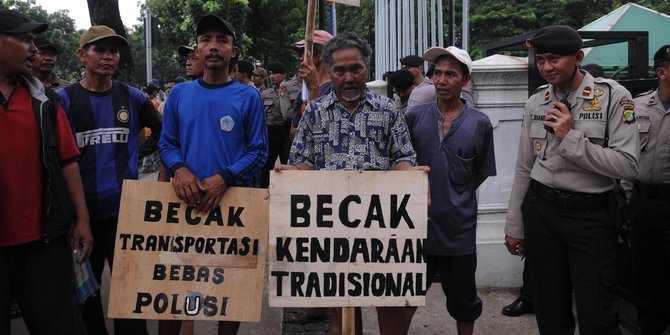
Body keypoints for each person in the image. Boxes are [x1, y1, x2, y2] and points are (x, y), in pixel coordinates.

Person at [275, 31, 428, 335]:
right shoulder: (315, 113)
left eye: (355, 68)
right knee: (342, 307)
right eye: (340, 70)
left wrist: (410, 178)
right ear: (329, 71)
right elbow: (303, 161)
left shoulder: (387, 111)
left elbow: (403, 156)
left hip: (382, 225)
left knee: (390, 302)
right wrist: (286, 177)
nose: (348, 77)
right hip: (331, 227)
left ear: (366, 69)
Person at [504, 25, 639, 334]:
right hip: (543, 212)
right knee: (550, 307)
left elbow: (628, 165)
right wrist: (515, 225)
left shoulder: (614, 99)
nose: (546, 67)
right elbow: (524, 167)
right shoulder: (536, 102)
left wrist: (570, 139)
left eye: (554, 59)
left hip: (590, 217)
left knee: (598, 312)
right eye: (540, 60)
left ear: (578, 57)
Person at [158, 14, 267, 335]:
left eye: (222, 40)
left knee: (228, 294)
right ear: (197, 49)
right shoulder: (179, 94)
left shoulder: (248, 96)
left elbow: (258, 150)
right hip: (183, 206)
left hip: (232, 208)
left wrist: (226, 177)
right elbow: (167, 143)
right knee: (174, 291)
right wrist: (179, 169)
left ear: (234, 51)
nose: (214, 46)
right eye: (206, 40)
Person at [57, 25, 163, 335]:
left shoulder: (132, 97)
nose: (108, 56)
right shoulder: (63, 100)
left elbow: (160, 131)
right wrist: (73, 217)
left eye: (113, 51)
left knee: (129, 294)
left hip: (125, 215)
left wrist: (138, 151)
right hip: (82, 218)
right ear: (82, 55)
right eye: (99, 50)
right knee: (87, 295)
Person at [0, 9, 92, 334]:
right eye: (24, 40)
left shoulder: (47, 102)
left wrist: (81, 219)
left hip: (44, 241)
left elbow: (68, 161)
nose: (34, 49)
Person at [404, 46, 496, 335]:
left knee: (463, 300)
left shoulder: (479, 123)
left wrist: (456, 193)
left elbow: (480, 172)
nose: (442, 80)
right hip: (416, 226)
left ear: (465, 81)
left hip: (459, 229)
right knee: (405, 296)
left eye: (451, 74)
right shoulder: (415, 117)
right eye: (438, 74)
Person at [628, 44, 670, 335]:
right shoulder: (637, 106)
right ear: (662, 72)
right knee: (645, 272)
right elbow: (625, 153)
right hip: (641, 202)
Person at [289, 29, 334, 140]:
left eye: (304, 53)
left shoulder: (337, 89)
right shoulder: (303, 91)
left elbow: (329, 130)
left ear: (320, 56)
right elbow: (292, 133)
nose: (301, 58)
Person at [260, 62, 290, 188]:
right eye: (270, 74)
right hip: (270, 131)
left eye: (276, 73)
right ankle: (263, 190)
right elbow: (261, 114)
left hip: (285, 131)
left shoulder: (289, 90)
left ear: (284, 75)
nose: (272, 76)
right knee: (266, 165)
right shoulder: (265, 94)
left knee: (285, 164)